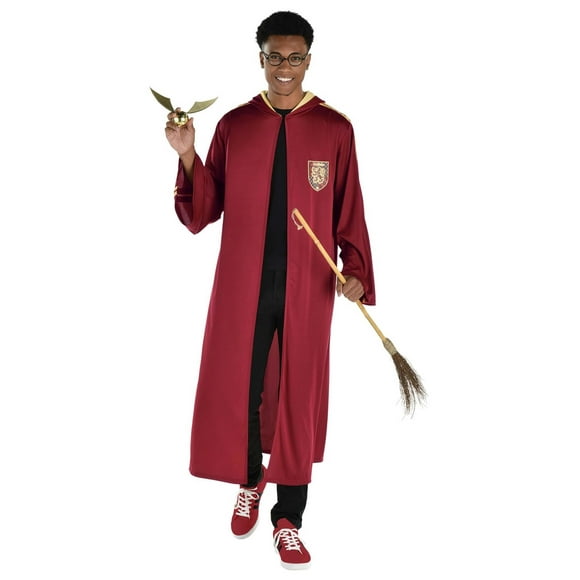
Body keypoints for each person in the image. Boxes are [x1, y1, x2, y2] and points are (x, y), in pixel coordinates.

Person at [164, 10, 375, 570]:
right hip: (244, 283)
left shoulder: (335, 129)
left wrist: (355, 268)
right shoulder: (236, 124)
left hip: (309, 287)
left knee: (297, 397)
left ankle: (289, 518)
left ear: (309, 60)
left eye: (295, 57)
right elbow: (203, 212)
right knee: (244, 384)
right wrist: (187, 154)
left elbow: (349, 208)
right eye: (275, 57)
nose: (285, 67)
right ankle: (250, 479)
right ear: (260, 59)